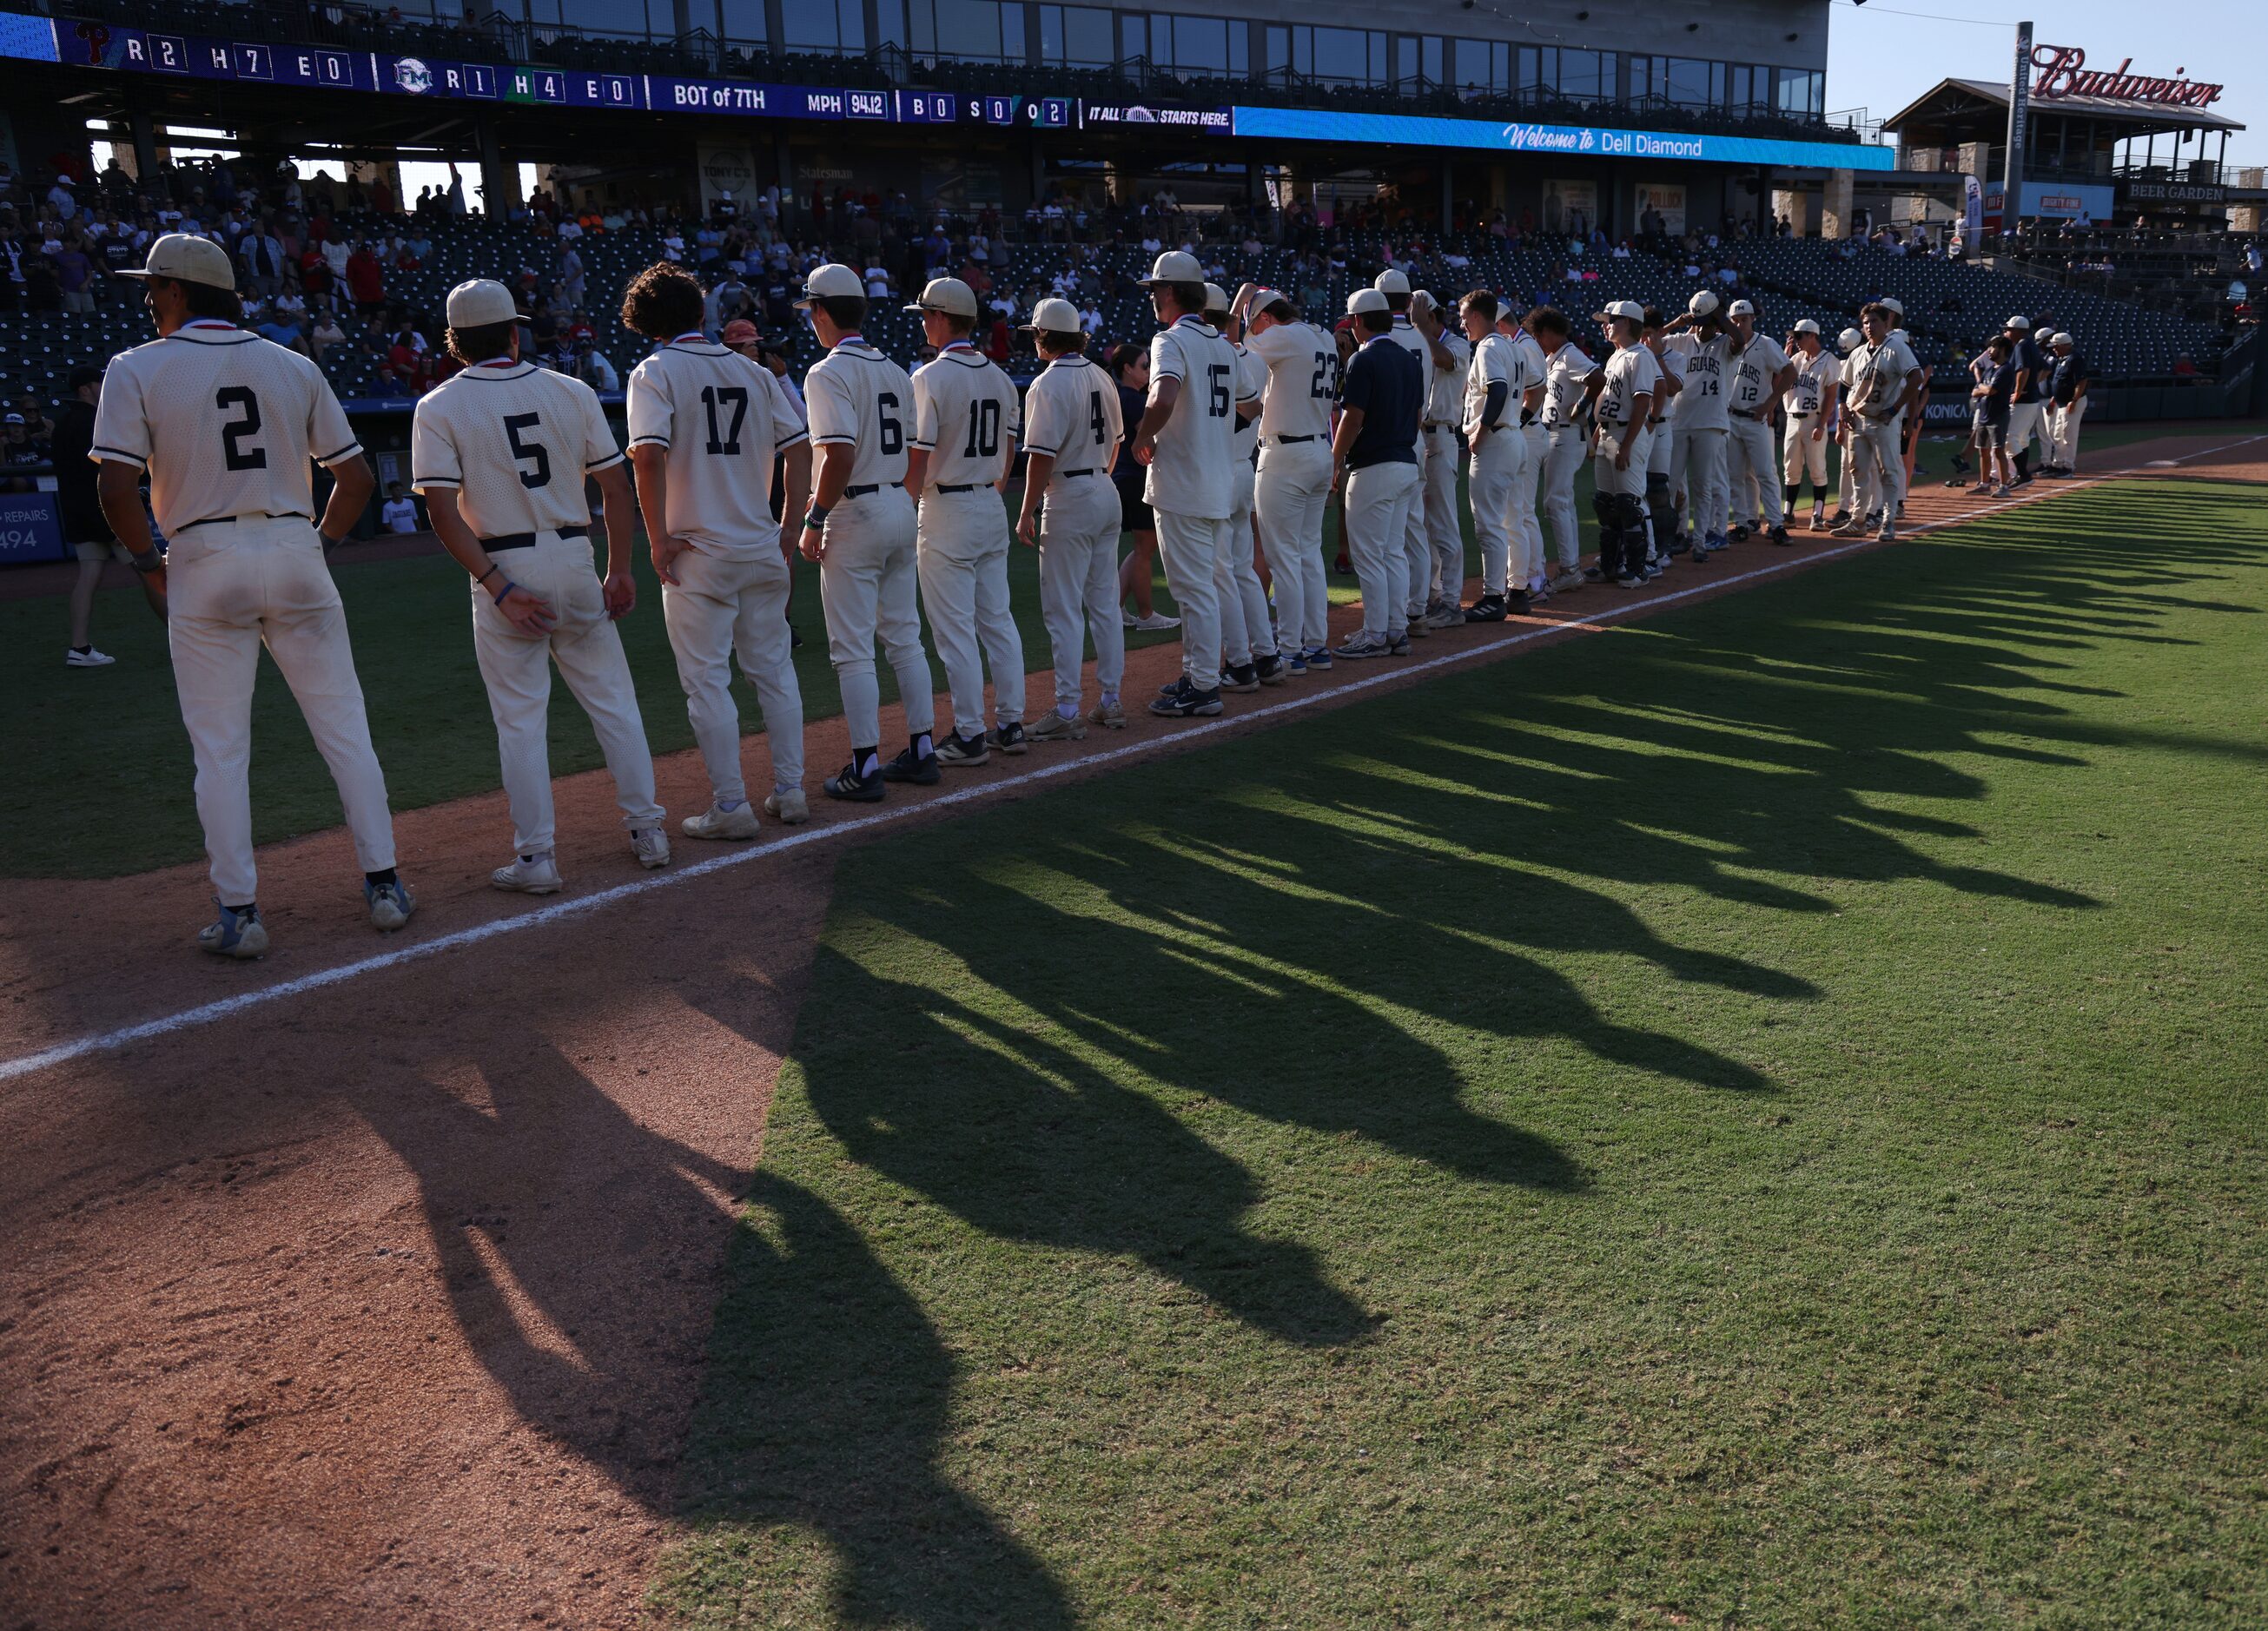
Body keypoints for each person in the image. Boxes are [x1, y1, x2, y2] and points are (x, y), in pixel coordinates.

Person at [93, 233, 411, 955]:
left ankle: (239, 914)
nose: (148, 298)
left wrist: (148, 565)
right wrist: (317, 545)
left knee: (220, 750)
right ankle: (385, 885)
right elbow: (356, 480)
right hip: (295, 544)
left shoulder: (136, 367)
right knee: (346, 733)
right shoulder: (292, 364)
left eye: (154, 286)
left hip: (203, 555)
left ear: (178, 292)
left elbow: (114, 487)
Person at [411, 277, 670, 893]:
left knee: (521, 723)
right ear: (512, 332)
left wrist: (498, 585)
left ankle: (537, 859)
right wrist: (621, 568)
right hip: (574, 555)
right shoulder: (570, 389)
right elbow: (614, 488)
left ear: (454, 343)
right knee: (614, 702)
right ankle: (648, 830)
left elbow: (442, 512)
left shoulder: (439, 405)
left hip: (504, 563)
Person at [621, 259, 811, 839]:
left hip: (698, 552)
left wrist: (655, 538)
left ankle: (731, 806)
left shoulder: (653, 371)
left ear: (645, 322)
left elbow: (647, 456)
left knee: (707, 681)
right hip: (759, 543)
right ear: (701, 312)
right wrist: (789, 523)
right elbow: (801, 448)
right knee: (774, 672)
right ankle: (791, 791)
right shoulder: (752, 371)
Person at [791, 261, 941, 801]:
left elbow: (838, 454)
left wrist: (814, 518)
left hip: (855, 511)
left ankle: (866, 766)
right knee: (904, 635)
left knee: (852, 649)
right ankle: (923, 750)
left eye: (811, 309)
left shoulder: (826, 372)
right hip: (899, 504)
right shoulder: (897, 370)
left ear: (821, 312)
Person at [903, 275, 1027, 763]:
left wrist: (903, 506)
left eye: (927, 316)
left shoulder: (928, 377)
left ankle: (971, 733)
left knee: (954, 628)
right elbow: (1009, 450)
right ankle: (1012, 723)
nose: (925, 325)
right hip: (988, 500)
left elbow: (918, 456)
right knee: (997, 620)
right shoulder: (999, 376)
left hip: (946, 506)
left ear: (939, 317)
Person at [1127, 250, 1248, 717]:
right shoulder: (1222, 343)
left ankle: (1202, 685)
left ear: (1173, 291)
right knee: (1202, 586)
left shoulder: (1169, 339)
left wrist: (1143, 434)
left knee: (1193, 589)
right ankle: (1198, 675)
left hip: (1183, 482)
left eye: (1157, 289)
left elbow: (1163, 395)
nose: (1154, 297)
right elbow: (1246, 407)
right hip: (1217, 479)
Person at [1013, 296, 1127, 736]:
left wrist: (1027, 508)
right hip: (1103, 486)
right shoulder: (1102, 374)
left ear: (1044, 337)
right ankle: (1111, 701)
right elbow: (1116, 443)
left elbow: (1040, 457)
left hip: (1070, 494)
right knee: (1104, 604)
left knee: (1063, 609)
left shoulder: (1046, 384)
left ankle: (1065, 710)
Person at [1232, 282, 1335, 673]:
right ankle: (1315, 645)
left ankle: (1291, 648)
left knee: (1283, 557)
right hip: (1317, 448)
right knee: (1308, 551)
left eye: (1255, 324)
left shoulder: (1280, 335)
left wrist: (1241, 308)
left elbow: (1234, 354)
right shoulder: (1321, 333)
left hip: (1286, 454)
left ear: (1265, 318)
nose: (1256, 331)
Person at [1329, 287, 1423, 659]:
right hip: (1405, 461)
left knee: (1369, 555)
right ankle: (1396, 630)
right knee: (1393, 552)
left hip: (1374, 466)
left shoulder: (1362, 360)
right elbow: (1416, 417)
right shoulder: (1408, 358)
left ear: (1358, 321)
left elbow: (1353, 418)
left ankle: (1376, 632)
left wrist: (1334, 460)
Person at [53, 364, 162, 665]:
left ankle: (79, 647)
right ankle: (184, 638)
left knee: (89, 576)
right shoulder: (94, 421)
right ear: (84, 389)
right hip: (103, 512)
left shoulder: (62, 423)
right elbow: (104, 474)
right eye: (98, 383)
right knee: (150, 573)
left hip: (77, 513)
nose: (104, 387)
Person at [1203, 282, 1279, 690]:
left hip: (1216, 470)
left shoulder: (1206, 353)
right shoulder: (1257, 359)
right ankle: (1266, 654)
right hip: (1244, 467)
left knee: (1221, 575)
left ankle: (1239, 662)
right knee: (1244, 570)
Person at [1373, 269, 1439, 643]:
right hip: (1416, 434)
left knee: (1382, 538)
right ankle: (1417, 609)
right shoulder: (1420, 335)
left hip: (1385, 439)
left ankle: (1388, 616)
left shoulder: (1378, 337)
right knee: (1413, 527)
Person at [1457, 289, 1531, 620]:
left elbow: (1498, 389)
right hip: (1514, 436)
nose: (1462, 325)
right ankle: (1515, 592)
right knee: (1510, 520)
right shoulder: (1511, 346)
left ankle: (1493, 597)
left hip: (1496, 440)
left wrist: (1481, 429)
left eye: (1463, 317)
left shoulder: (1487, 347)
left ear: (1476, 315)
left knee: (1489, 523)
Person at [1407, 288, 1471, 628]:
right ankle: (1431, 595)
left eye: (1419, 315)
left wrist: (1418, 328)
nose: (1413, 320)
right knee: (1422, 526)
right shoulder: (1419, 339)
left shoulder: (1459, 344)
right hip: (1419, 437)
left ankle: (1451, 602)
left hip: (1443, 437)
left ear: (1432, 317)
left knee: (1444, 524)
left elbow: (1442, 359)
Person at [1834, 303, 1921, 543]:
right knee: (1858, 471)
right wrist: (1843, 408)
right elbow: (1845, 383)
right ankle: (1858, 521)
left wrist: (1896, 408)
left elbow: (1917, 376)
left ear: (1886, 323)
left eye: (1874, 321)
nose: (1869, 326)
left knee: (1888, 472)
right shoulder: (1858, 352)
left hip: (1883, 420)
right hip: (1858, 419)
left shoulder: (1897, 348)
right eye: (1866, 322)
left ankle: (1888, 522)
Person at [1588, 300, 1660, 589]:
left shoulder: (1640, 356)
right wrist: (1597, 433)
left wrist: (1627, 445)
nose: (1606, 325)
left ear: (1628, 323)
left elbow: (1643, 401)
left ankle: (1639, 567)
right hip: (1607, 434)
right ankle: (1611, 562)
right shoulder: (1616, 356)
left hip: (1625, 435)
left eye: (1612, 320)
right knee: (1606, 502)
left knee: (1629, 503)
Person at [1108, 341, 1174, 632]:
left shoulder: (1121, 396)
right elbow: (1149, 438)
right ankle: (1147, 615)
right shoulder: (1133, 399)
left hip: (1124, 477)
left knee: (1140, 548)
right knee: (1145, 547)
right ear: (1127, 368)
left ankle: (1116, 607)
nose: (1148, 371)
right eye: (1144, 366)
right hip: (1134, 478)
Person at [1663, 291, 1731, 555]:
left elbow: (1738, 339)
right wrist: (1675, 323)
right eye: (1699, 322)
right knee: (1669, 485)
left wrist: (1718, 316)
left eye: (1707, 322)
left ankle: (1700, 542)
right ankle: (1667, 539)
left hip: (1710, 423)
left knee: (1704, 485)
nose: (1702, 327)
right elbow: (1649, 344)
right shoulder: (1681, 340)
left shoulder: (1725, 341)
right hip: (1679, 421)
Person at [1530, 306, 1592, 594]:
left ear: (1547, 332)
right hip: (1555, 434)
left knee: (1557, 502)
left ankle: (1570, 569)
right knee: (1559, 501)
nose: (1537, 341)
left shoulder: (1570, 355)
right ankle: (1570, 567)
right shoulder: (1554, 359)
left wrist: (1580, 408)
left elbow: (1598, 379)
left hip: (1566, 434)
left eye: (1538, 335)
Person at [1721, 299, 1794, 545]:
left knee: (1766, 473)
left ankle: (1776, 525)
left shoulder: (1766, 344)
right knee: (1735, 475)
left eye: (1744, 318)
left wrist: (1771, 402)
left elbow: (1790, 371)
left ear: (1753, 318)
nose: (1740, 323)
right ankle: (1742, 523)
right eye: (1735, 319)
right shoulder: (1724, 345)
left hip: (1755, 418)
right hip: (1730, 417)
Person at [1779, 320, 1838, 532]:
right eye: (1794, 336)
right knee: (1791, 469)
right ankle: (1788, 514)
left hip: (1814, 419)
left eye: (1799, 336)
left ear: (1812, 335)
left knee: (1817, 469)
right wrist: (1784, 358)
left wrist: (1822, 425)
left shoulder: (1829, 360)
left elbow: (1831, 394)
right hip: (1792, 419)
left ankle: (1818, 515)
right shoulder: (1793, 360)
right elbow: (1777, 382)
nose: (1795, 340)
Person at [2002, 314, 2049, 486]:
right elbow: (2046, 368)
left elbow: (2024, 369)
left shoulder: (2022, 345)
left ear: (2016, 331)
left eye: (2007, 330)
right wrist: (2030, 385)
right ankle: (2022, 475)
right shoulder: (2030, 345)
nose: (2005, 333)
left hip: (2024, 399)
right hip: (2032, 398)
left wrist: (2018, 391)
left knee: (2010, 437)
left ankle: (2024, 475)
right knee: (2021, 439)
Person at [1968, 333, 2018, 496]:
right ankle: (1984, 484)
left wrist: (1983, 389)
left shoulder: (2006, 369)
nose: (1989, 350)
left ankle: (2004, 486)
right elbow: (1975, 391)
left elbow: (1991, 390)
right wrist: (1983, 389)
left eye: (1993, 347)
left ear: (2002, 349)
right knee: (1982, 450)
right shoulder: (1990, 369)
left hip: (1998, 415)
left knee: (1998, 451)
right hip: (1984, 414)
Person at [2044, 333, 2088, 476]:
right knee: (2058, 435)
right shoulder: (2062, 358)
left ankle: (2068, 467)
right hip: (2061, 402)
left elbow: (2082, 381)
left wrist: (2074, 400)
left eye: (2056, 346)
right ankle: (2057, 464)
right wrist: (2053, 399)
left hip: (2072, 401)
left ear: (2064, 345)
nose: (2054, 349)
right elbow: (2060, 382)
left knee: (2069, 435)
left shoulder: (2075, 359)